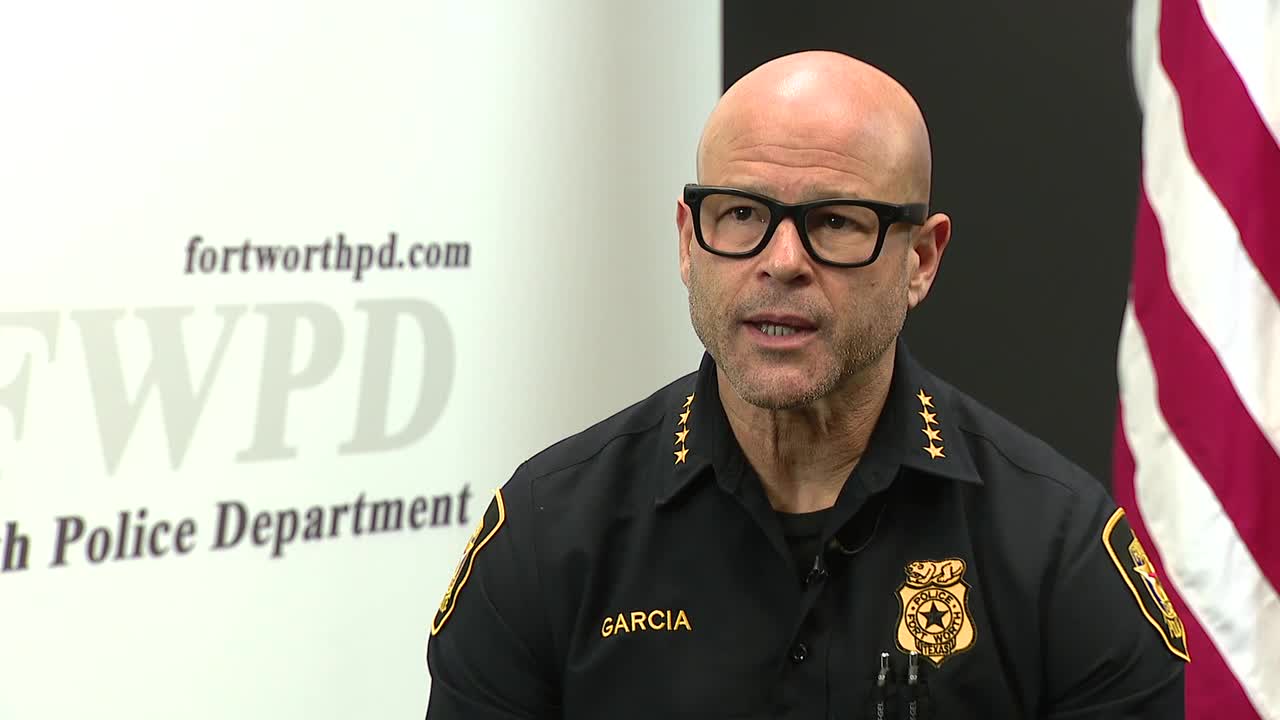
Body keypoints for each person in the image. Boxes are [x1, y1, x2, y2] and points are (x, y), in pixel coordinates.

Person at [424, 50, 1188, 719]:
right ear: (689, 243)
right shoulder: (548, 535)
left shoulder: (1058, 553)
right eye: (741, 213)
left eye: (836, 222)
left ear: (921, 260)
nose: (782, 261)